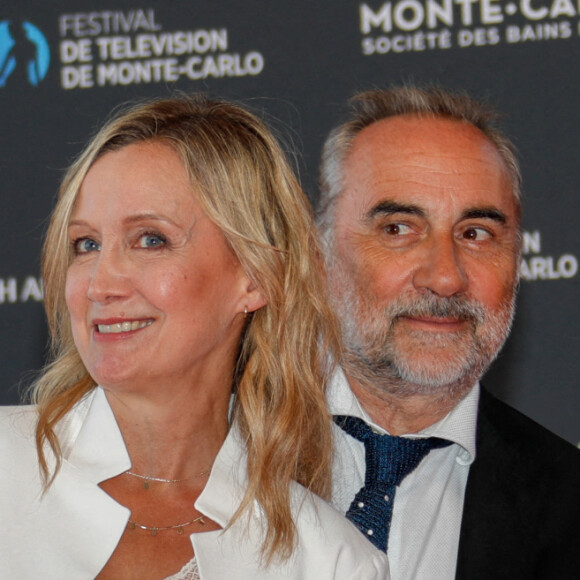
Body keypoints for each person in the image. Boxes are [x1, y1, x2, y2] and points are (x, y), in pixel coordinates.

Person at [0, 95, 390, 579]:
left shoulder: (328, 561)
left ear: (254, 276)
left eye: (150, 239)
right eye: (87, 244)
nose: (100, 284)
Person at [317, 85, 580, 580]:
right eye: (398, 228)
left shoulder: (568, 503)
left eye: (476, 233)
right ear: (318, 255)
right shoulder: (212, 452)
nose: (445, 276)